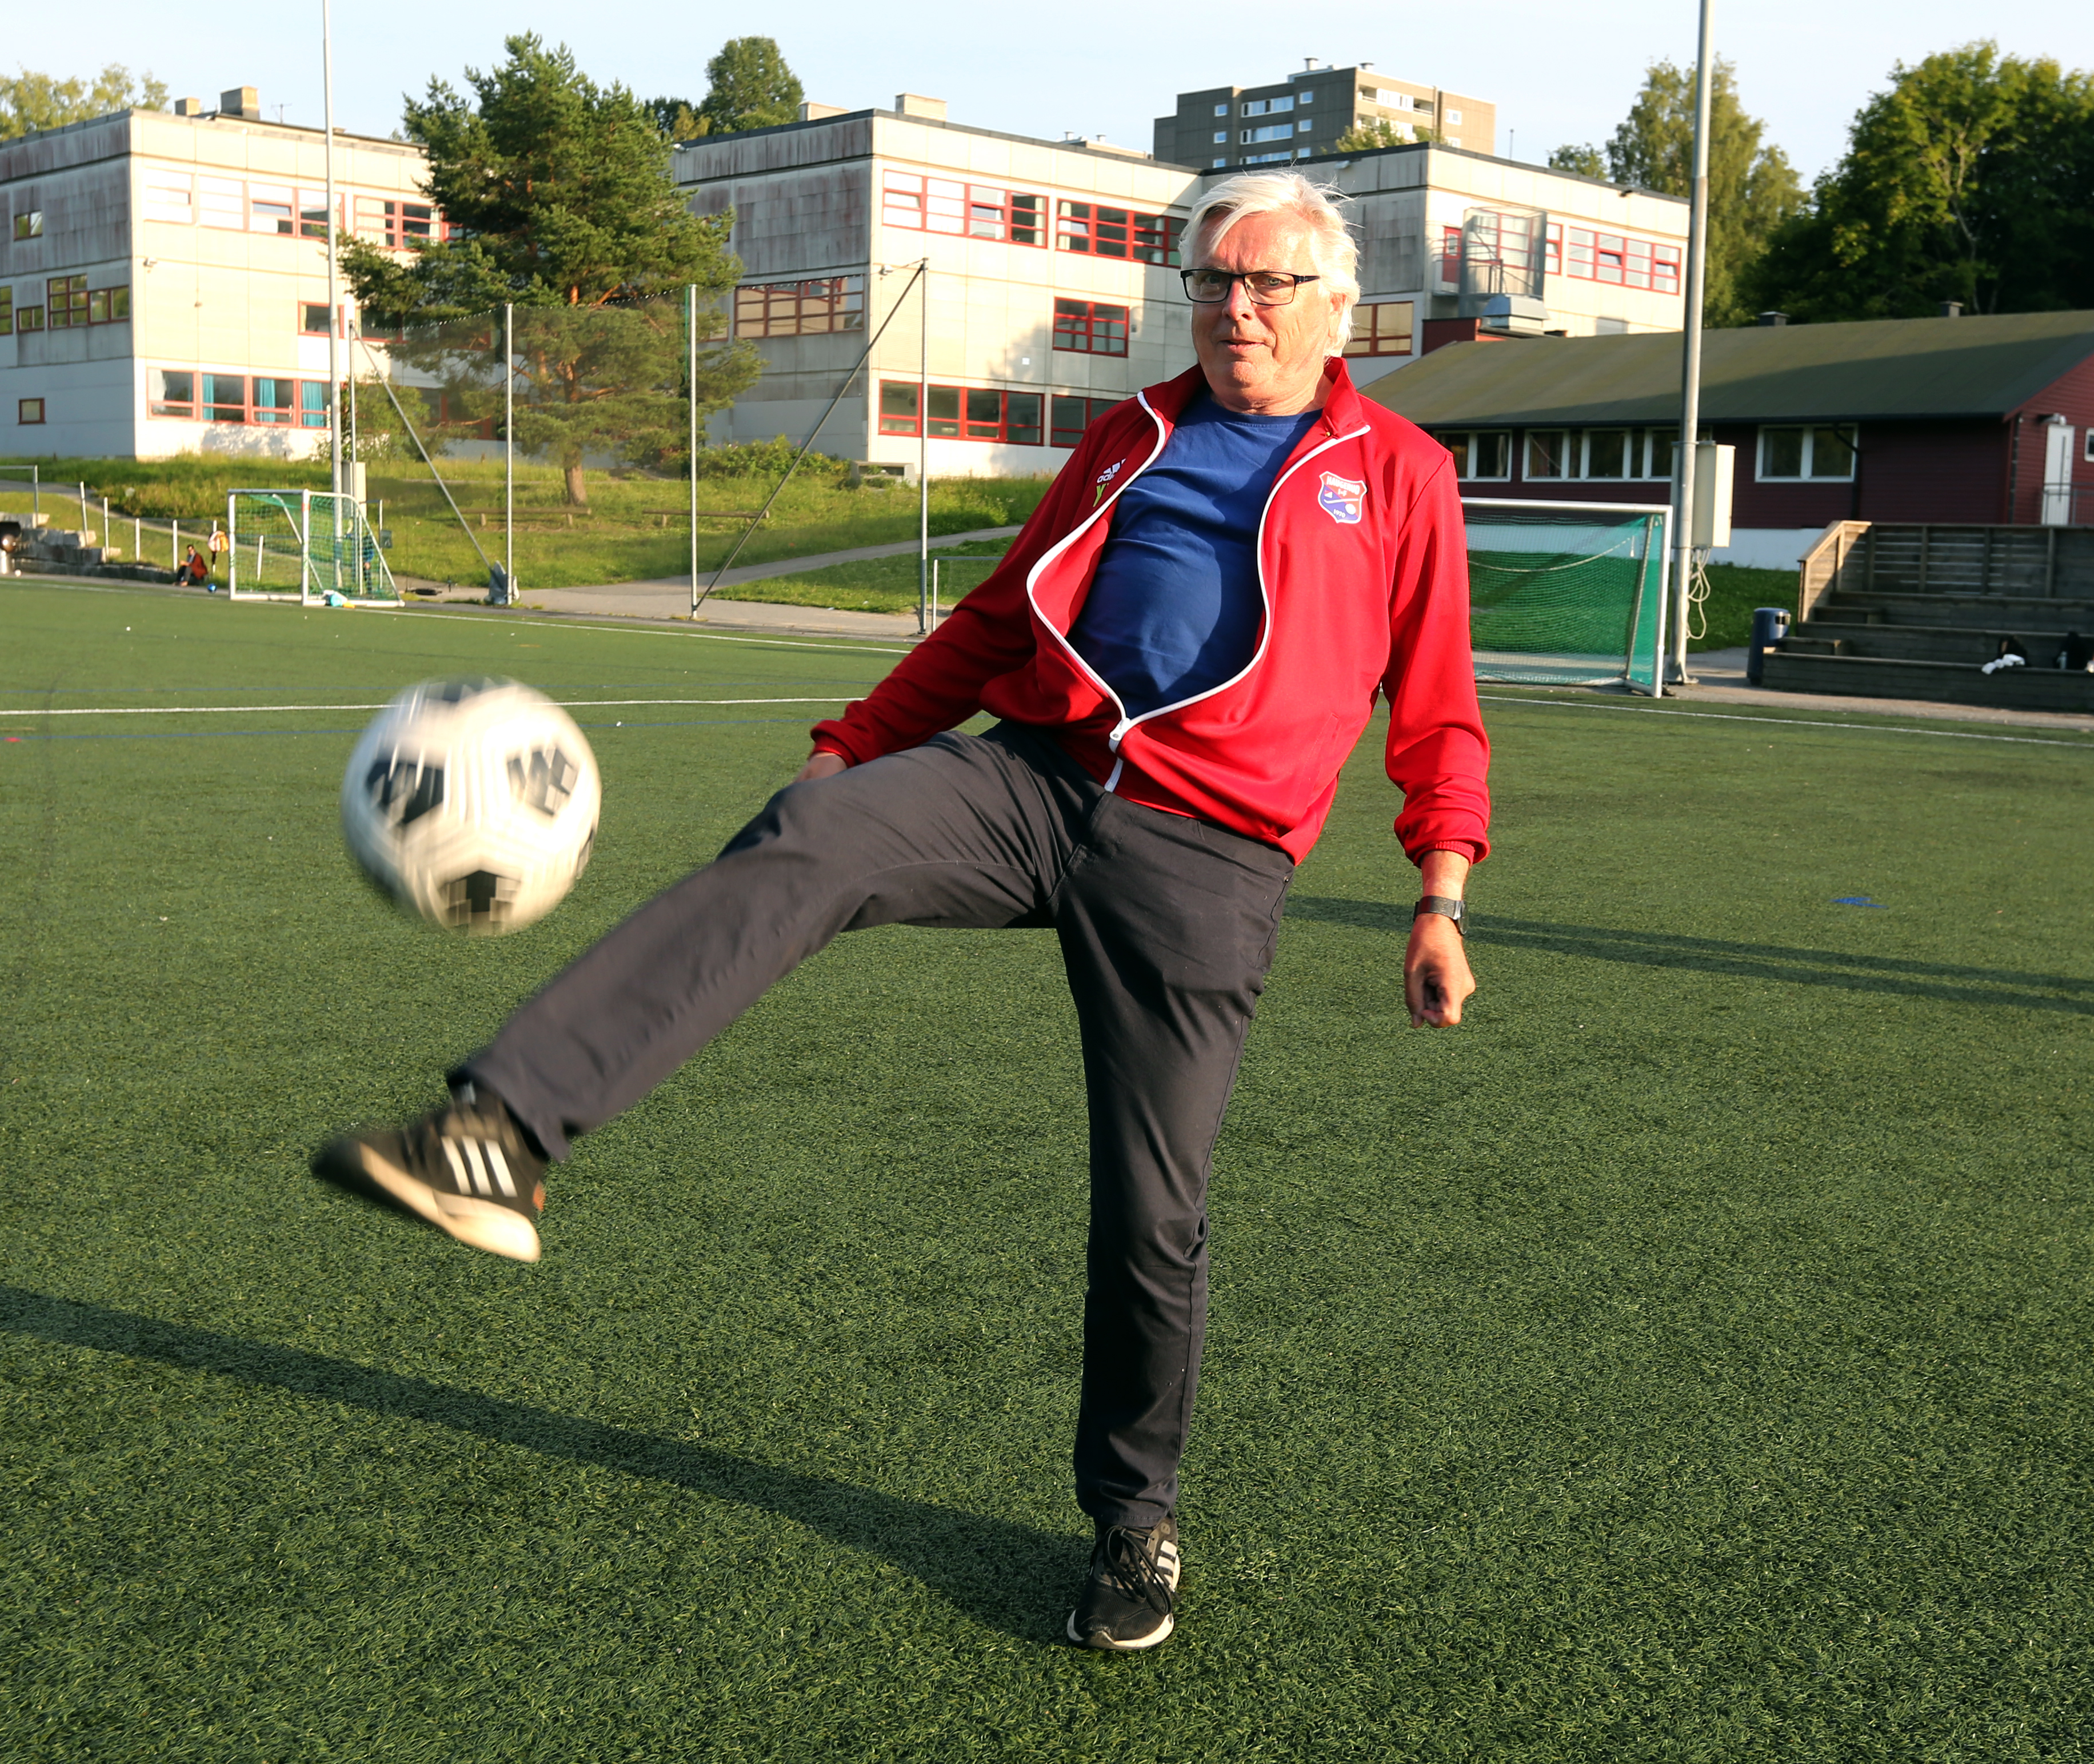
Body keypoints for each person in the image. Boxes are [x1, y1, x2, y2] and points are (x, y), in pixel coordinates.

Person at [311, 171, 1491, 1655]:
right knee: (813, 834)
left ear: (1337, 308)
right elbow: (1001, 614)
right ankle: (502, 1133)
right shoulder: (1132, 432)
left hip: (1211, 856)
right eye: (1210, 281)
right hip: (1035, 781)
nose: (1231, 308)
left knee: (1155, 1210)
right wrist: (859, 741)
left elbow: (1438, 705)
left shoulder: (1393, 473)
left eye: (1263, 286)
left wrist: (1437, 888)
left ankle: (1136, 1520)